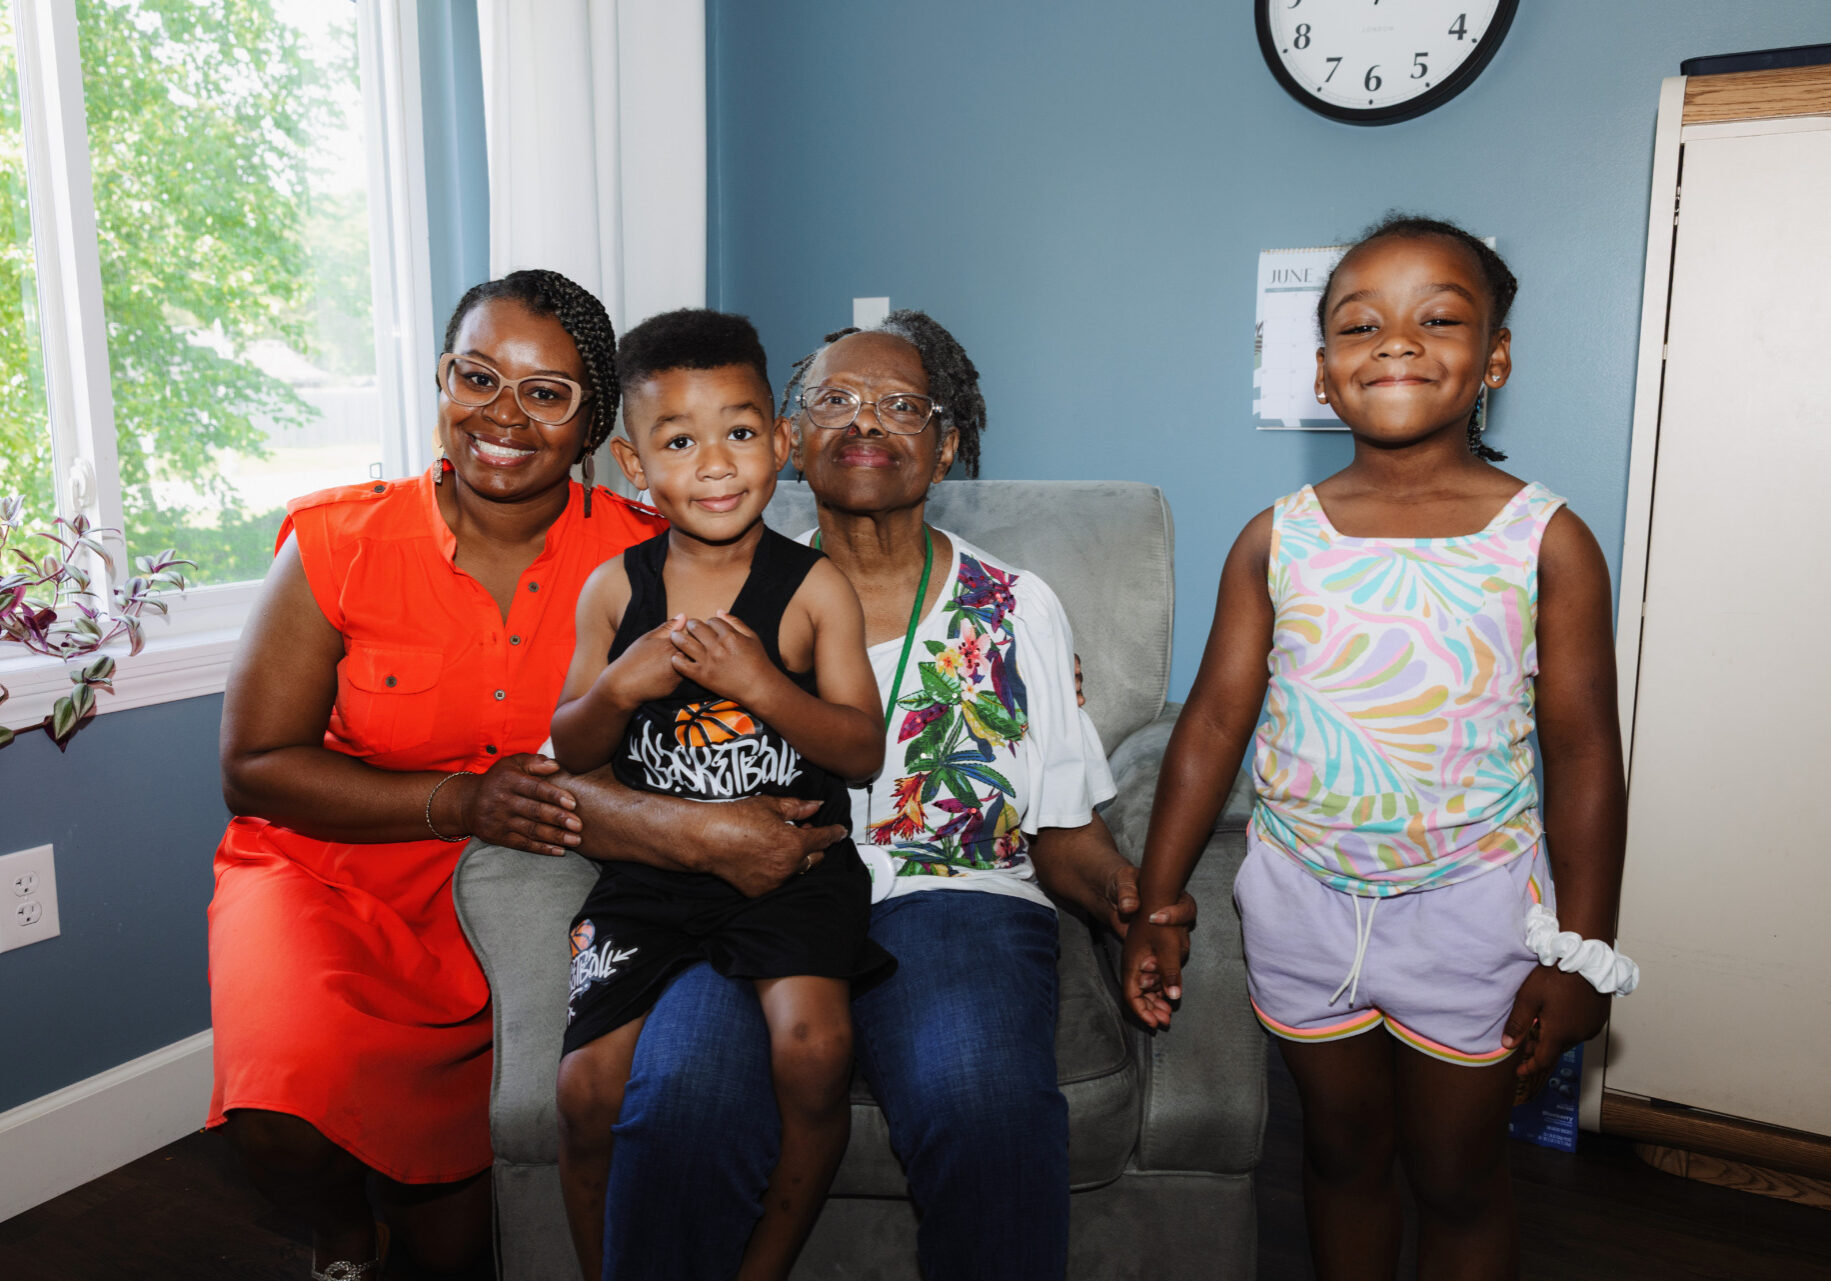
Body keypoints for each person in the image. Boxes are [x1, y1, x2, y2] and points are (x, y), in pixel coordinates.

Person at [571, 308, 1195, 1281]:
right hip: (742, 898)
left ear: (945, 447)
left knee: (977, 1099)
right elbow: (586, 763)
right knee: (680, 1099)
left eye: (901, 406)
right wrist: (687, 839)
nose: (864, 422)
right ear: (792, 440)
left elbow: (1062, 827)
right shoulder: (704, 589)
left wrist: (1133, 900)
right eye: (835, 400)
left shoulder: (1013, 608)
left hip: (955, 899)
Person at [1122, 216, 1638, 1281]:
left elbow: (1584, 754)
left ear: (1494, 356)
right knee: (1340, 1158)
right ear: (1322, 370)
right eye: (1360, 324)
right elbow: (1212, 726)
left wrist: (1581, 952)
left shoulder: (1544, 540)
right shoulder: (1278, 536)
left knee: (1456, 1180)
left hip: (1470, 912)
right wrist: (1157, 901)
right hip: (1302, 903)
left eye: (1438, 319)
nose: (1395, 342)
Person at [208, 269, 670, 1280]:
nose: (502, 416)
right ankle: (335, 1225)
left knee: (450, 1247)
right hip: (323, 871)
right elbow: (254, 768)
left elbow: (779, 620)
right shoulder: (337, 543)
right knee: (278, 1116)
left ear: (589, 425)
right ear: (441, 381)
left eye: (546, 393)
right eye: (477, 377)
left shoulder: (643, 556)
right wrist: (458, 799)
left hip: (514, 890)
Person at [550, 309, 893, 1281]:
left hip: (797, 873)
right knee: (585, 1088)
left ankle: (762, 1267)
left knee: (814, 1049)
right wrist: (618, 685)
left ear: (780, 445)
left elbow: (860, 750)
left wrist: (763, 689)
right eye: (679, 440)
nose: (713, 463)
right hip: (648, 881)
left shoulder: (814, 588)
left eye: (739, 432)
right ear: (632, 465)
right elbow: (569, 747)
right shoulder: (615, 591)